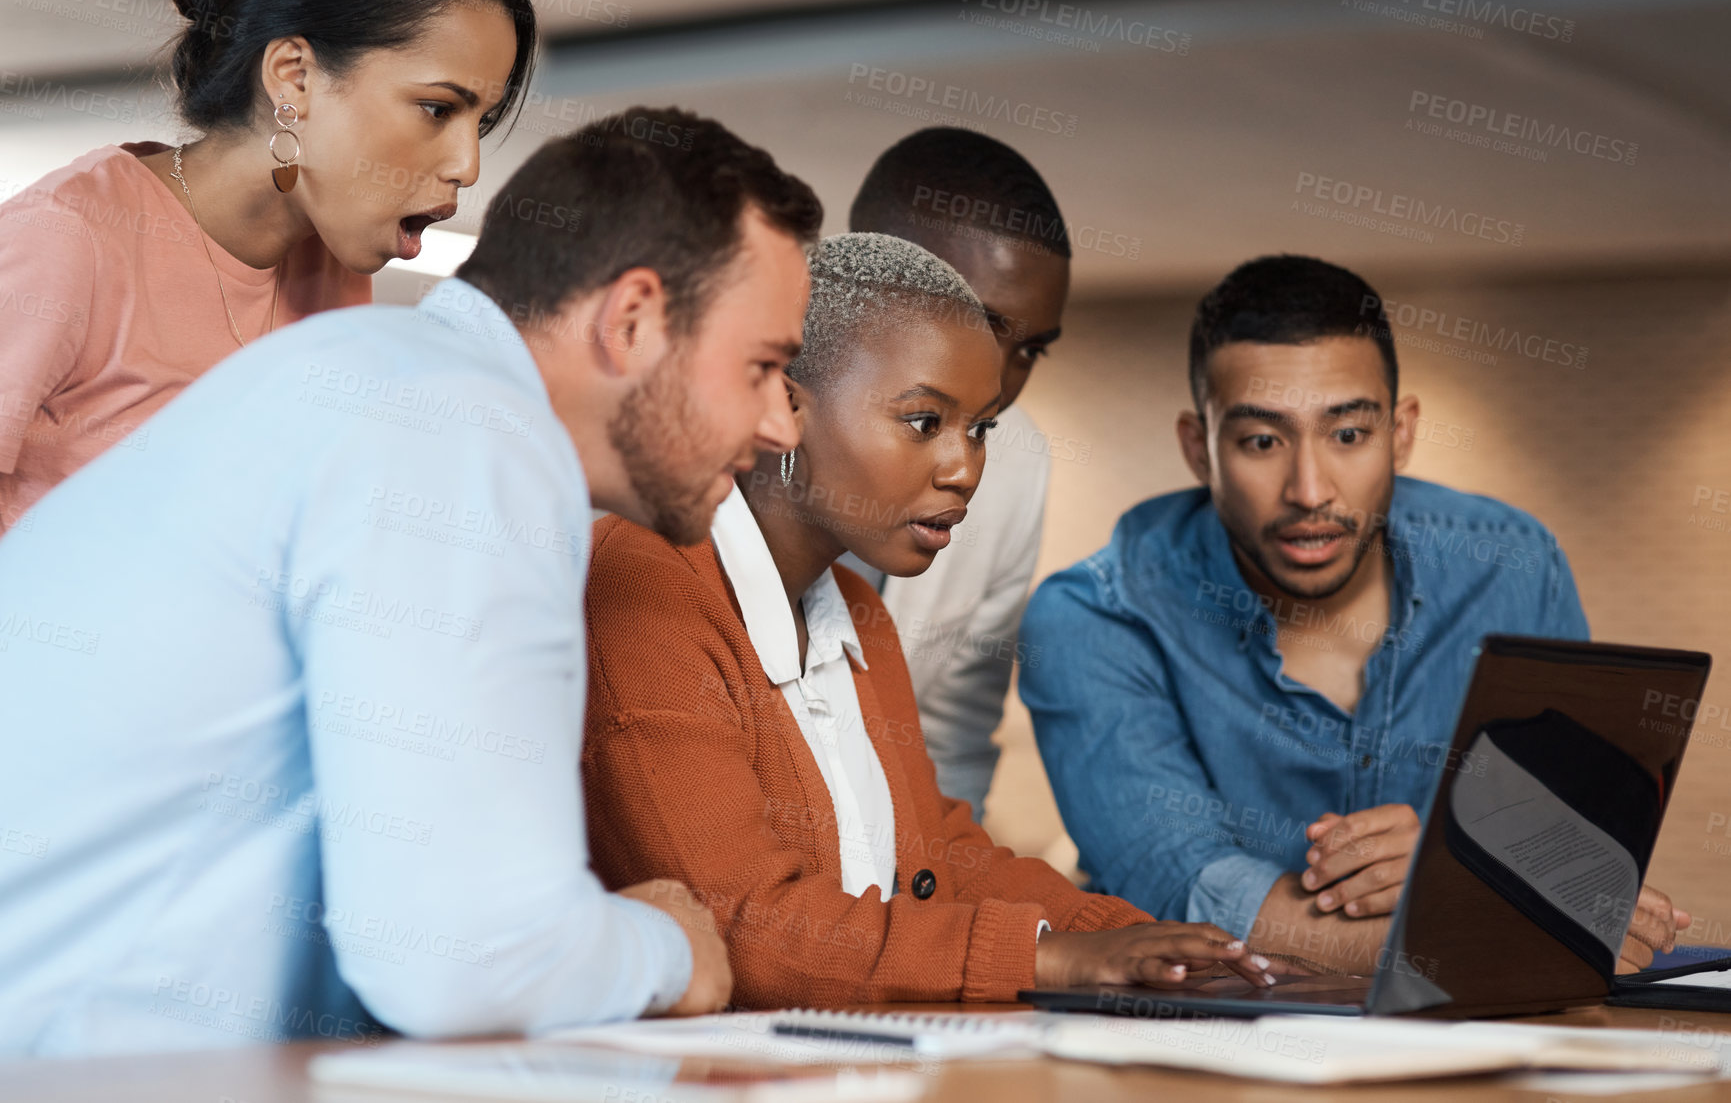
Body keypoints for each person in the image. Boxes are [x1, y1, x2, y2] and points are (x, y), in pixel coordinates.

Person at [0, 106, 819, 1056]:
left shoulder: (377, 381)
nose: (781, 427)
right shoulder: (459, 430)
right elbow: (459, 957)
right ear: (630, 319)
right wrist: (670, 948)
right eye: (763, 367)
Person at [581, 232, 1274, 1009]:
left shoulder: (860, 612)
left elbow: (935, 854)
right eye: (923, 422)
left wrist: (1146, 942)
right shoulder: (642, 582)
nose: (964, 468)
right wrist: (1050, 957)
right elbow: (740, 922)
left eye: (978, 428)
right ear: (783, 405)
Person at [1020, 254, 1688, 976]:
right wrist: (1500, 914)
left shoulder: (1513, 565)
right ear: (1198, 449)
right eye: (1261, 441)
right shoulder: (1093, 616)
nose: (1309, 490)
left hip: (1475, 1044)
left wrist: (1462, 861)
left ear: (1399, 432)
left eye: (1346, 434)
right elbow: (1189, 892)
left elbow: (1577, 854)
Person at [0, 0, 540, 533]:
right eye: (437, 109)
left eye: (480, 122)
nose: (468, 165)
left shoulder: (334, 270)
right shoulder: (65, 237)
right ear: (294, 76)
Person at [843, 128, 1071, 820]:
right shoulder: (711, 443)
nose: (999, 383)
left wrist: (938, 907)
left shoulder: (1017, 463)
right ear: (860, 279)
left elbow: (949, 734)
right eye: (977, 320)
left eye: (1029, 348)